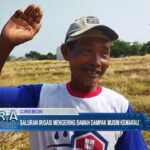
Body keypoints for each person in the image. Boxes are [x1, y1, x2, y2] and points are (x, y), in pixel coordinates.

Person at [0, 4, 148, 150]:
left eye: (104, 53)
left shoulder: (119, 108)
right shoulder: (40, 99)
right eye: (87, 50)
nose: (96, 61)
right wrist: (5, 43)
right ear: (66, 52)